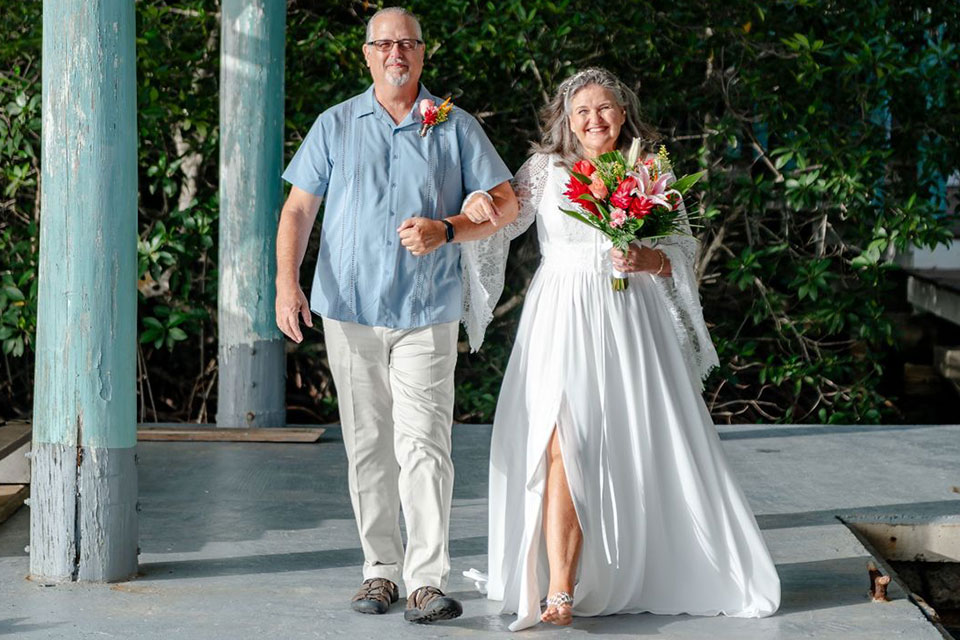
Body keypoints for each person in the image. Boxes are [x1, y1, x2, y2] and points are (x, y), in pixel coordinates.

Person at [479, 67, 781, 630]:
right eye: (583, 111)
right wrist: (466, 211)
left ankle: (633, 565)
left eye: (606, 108)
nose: (595, 119)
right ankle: (560, 589)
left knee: (630, 443)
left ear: (624, 113)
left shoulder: (650, 170)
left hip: (630, 319)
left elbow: (682, 251)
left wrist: (650, 260)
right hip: (562, 316)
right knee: (561, 440)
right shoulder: (546, 170)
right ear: (566, 120)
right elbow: (503, 215)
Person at [274, 6, 517, 625]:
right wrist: (286, 283)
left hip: (425, 310)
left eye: (406, 43)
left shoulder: (455, 125)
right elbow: (299, 210)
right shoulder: (334, 124)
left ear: (422, 53)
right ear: (367, 54)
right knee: (367, 445)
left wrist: (450, 229)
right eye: (384, 44)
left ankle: (426, 581)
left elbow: (508, 202)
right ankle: (379, 572)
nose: (395, 54)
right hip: (348, 310)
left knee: (426, 445)